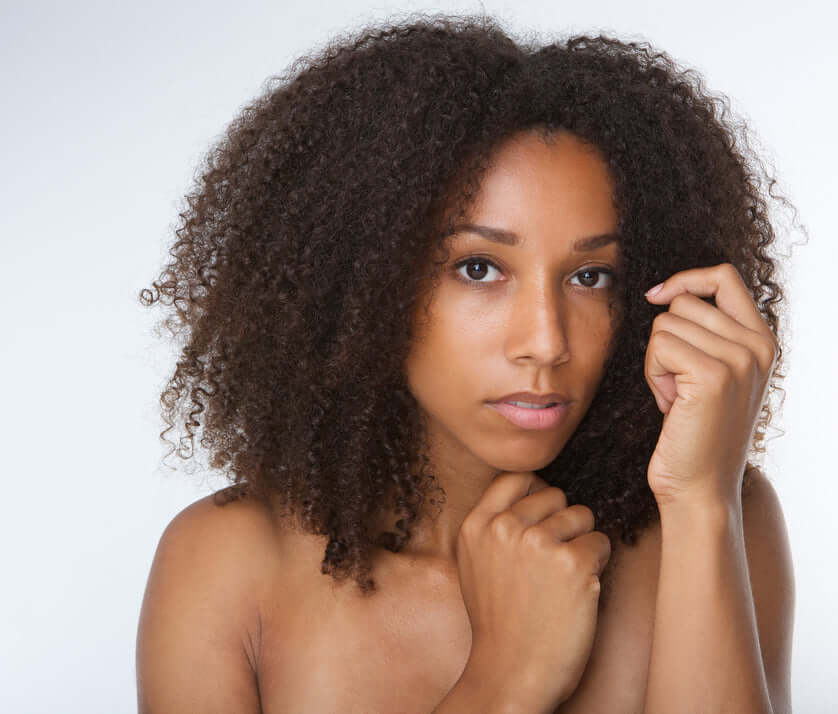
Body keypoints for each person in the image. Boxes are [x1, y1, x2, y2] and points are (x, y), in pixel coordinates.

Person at [135, 12, 796, 714]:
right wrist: (504, 679)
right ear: (364, 282)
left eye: (591, 276)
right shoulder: (228, 566)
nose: (546, 341)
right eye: (479, 269)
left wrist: (700, 504)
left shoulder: (713, 514)